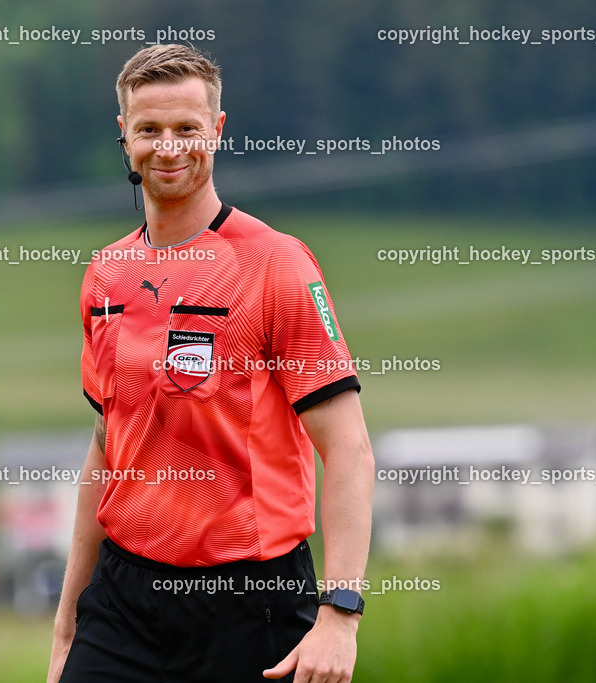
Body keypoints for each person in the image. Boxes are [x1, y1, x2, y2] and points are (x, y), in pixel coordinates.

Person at [48, 43, 374, 683]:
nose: (167, 147)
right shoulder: (104, 274)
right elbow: (105, 448)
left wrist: (340, 614)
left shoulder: (277, 264)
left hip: (251, 604)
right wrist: (67, 628)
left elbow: (351, 449)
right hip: (123, 600)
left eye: (186, 129)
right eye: (149, 130)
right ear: (125, 136)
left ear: (217, 132)